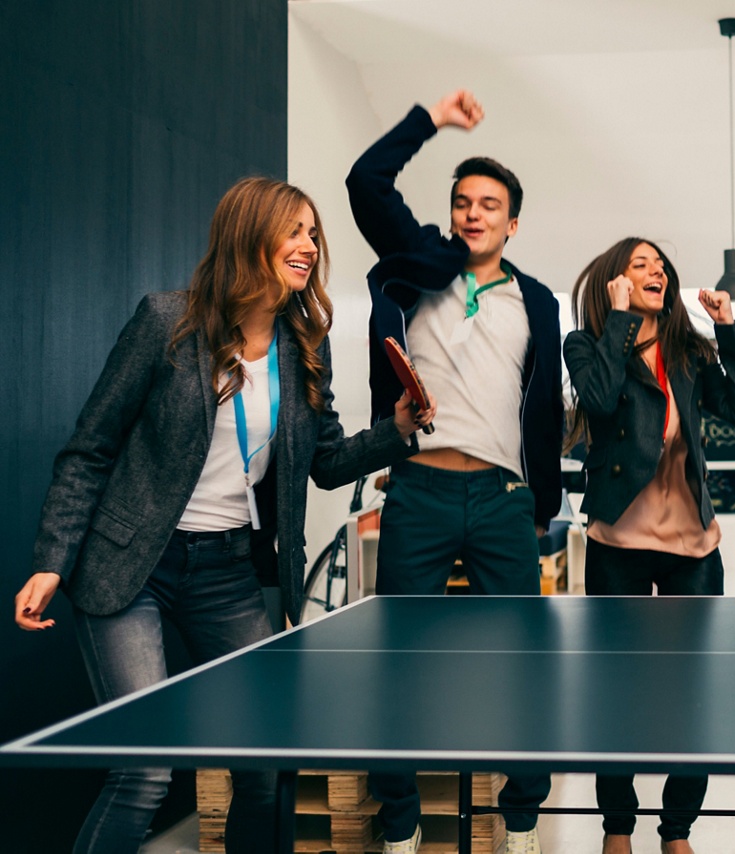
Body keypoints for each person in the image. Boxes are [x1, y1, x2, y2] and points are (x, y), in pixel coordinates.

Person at [13, 177, 431, 853]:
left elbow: (324, 462)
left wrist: (398, 427)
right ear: (249, 236)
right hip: (134, 564)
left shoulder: (302, 351)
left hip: (227, 571)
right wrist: (51, 562)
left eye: (314, 233)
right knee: (146, 770)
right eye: (294, 230)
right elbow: (90, 449)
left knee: (265, 766)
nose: (309, 245)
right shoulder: (164, 322)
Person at [346, 90, 561, 854]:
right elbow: (365, 182)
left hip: (503, 498)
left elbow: (542, 410)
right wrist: (429, 120)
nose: (474, 214)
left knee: (527, 664)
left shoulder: (536, 300)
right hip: (421, 491)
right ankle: (400, 820)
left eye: (490, 204)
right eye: (463, 202)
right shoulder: (416, 265)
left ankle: (524, 810)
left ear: (512, 222)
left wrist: (543, 502)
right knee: (398, 662)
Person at [563, 238, 735, 854]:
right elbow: (596, 399)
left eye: (661, 266)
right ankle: (617, 828)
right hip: (618, 537)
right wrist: (621, 323)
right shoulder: (587, 345)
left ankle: (676, 831)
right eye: (640, 265)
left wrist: (728, 331)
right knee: (614, 692)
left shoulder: (689, 349)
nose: (658, 272)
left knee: (690, 695)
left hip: (692, 544)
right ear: (612, 281)